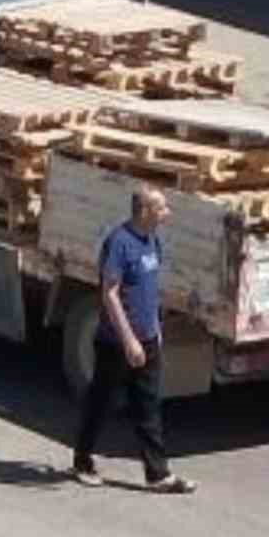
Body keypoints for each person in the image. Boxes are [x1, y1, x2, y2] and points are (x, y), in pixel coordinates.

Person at [71, 184, 197, 495]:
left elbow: (151, 289)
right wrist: (129, 340)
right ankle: (82, 460)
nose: (167, 214)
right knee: (101, 401)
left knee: (149, 405)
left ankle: (158, 474)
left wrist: (155, 329)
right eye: (162, 208)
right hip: (116, 341)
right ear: (144, 211)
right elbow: (110, 293)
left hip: (148, 338)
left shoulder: (153, 240)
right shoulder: (119, 243)